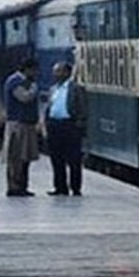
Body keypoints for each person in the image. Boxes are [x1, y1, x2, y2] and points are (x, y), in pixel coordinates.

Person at [45, 61, 87, 196]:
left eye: (58, 71)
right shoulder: (53, 89)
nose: (55, 74)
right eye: (55, 71)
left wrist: (79, 124)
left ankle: (75, 187)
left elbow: (83, 108)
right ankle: (60, 187)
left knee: (74, 160)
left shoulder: (76, 88)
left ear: (67, 73)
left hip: (70, 126)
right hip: (54, 126)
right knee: (56, 159)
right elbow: (50, 106)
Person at [2, 58, 40, 197]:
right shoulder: (15, 81)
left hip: (25, 123)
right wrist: (34, 89)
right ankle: (15, 187)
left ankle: (22, 186)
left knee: (25, 157)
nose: (36, 73)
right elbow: (24, 97)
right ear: (28, 69)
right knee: (16, 157)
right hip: (18, 124)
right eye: (35, 70)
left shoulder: (22, 81)